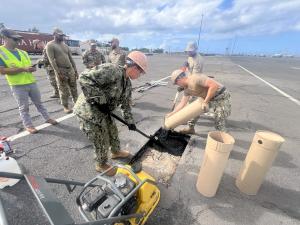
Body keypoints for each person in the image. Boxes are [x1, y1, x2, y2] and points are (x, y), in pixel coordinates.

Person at [74, 51, 147, 175]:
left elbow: (125, 104)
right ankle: (101, 164)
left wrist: (130, 122)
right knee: (101, 139)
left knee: (113, 131)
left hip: (104, 111)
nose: (140, 75)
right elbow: (84, 77)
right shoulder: (112, 70)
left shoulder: (127, 83)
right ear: (134, 67)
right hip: (89, 111)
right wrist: (100, 100)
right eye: (141, 72)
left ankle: (115, 152)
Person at [0, 29, 58, 134]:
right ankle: (28, 125)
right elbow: (2, 71)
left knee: (39, 103)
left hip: (31, 82)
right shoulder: (1, 52)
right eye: (15, 39)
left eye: (19, 39)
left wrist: (31, 69)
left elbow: (28, 67)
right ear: (5, 38)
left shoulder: (23, 52)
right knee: (24, 107)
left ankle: (47, 118)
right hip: (17, 85)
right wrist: (23, 69)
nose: (18, 41)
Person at [167, 69, 231, 133]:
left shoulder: (195, 78)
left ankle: (223, 135)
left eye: (176, 83)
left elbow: (214, 86)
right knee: (193, 110)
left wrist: (205, 102)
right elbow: (182, 103)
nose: (178, 85)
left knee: (219, 118)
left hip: (220, 96)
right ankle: (190, 128)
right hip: (207, 97)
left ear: (179, 79)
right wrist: (172, 113)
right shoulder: (187, 89)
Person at [46, 28, 78, 113]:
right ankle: (66, 106)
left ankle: (77, 104)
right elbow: (51, 60)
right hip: (61, 70)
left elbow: (71, 59)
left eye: (62, 35)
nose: (62, 37)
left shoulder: (65, 45)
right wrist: (58, 72)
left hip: (70, 70)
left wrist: (75, 70)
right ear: (54, 34)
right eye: (60, 35)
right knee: (63, 90)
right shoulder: (50, 45)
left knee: (74, 88)